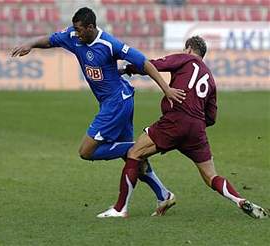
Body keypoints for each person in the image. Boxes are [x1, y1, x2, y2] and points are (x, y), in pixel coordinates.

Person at [11, 7, 186, 216]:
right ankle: (163, 195)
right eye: (74, 29)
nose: (76, 33)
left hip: (117, 103)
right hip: (114, 102)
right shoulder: (73, 37)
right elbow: (50, 40)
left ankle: (142, 147)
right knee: (132, 158)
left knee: (86, 151)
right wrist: (30, 44)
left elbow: (144, 63)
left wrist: (166, 89)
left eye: (79, 30)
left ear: (91, 27)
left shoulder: (109, 44)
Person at [97, 36, 269, 219]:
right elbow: (211, 117)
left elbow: (154, 65)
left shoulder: (185, 58)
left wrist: (128, 69)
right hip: (196, 130)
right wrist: (194, 124)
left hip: (174, 122)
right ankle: (239, 200)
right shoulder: (210, 78)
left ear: (188, 49)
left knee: (134, 153)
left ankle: (120, 209)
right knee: (211, 176)